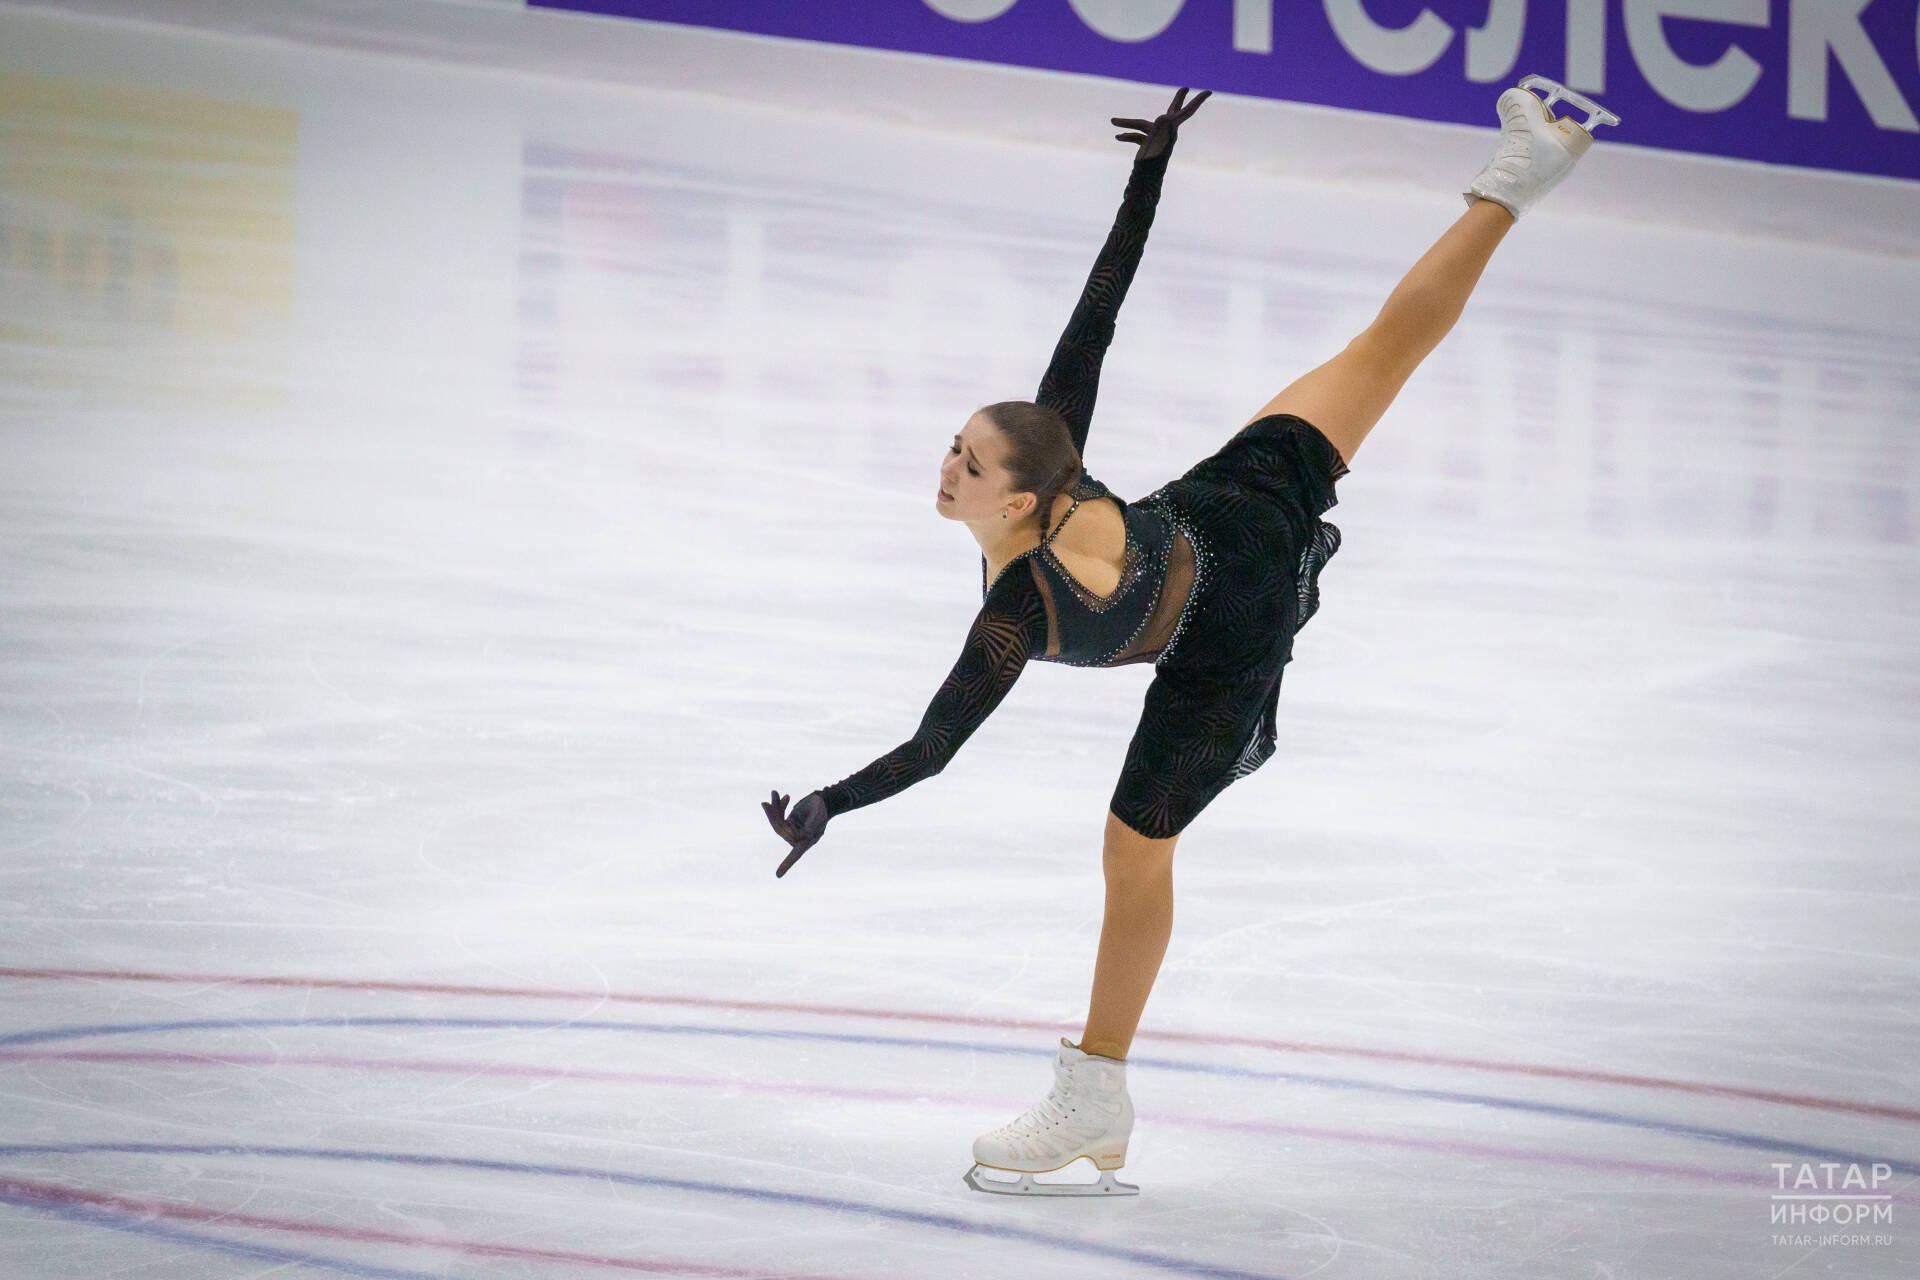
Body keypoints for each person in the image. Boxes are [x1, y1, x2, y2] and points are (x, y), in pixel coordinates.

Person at [764, 79, 1611, 1195]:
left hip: (1227, 632)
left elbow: (936, 744)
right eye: (953, 447)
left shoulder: (1017, 612)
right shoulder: (1052, 452)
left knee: (1134, 850)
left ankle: (1094, 1093)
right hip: (1226, 506)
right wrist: (1150, 169)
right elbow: (1099, 306)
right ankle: (1519, 178)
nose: (947, 468)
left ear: (1017, 499)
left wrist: (834, 801)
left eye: (968, 461)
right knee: (1381, 351)